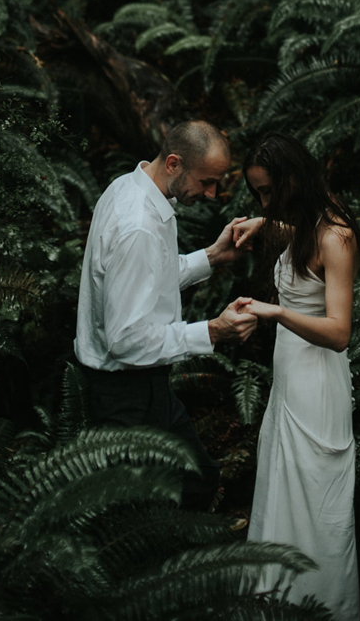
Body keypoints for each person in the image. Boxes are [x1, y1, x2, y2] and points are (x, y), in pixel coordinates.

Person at [74, 119, 262, 505]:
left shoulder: (130, 187)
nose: (211, 194)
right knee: (139, 511)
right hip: (124, 394)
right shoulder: (138, 227)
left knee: (197, 479)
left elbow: (146, 280)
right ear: (174, 164)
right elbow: (126, 341)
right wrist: (212, 331)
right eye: (206, 182)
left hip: (145, 387)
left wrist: (212, 255)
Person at [232, 132, 360, 621]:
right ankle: (278, 603)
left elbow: (339, 331)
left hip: (316, 388)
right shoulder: (306, 225)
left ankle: (322, 606)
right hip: (289, 385)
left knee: (313, 502)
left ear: (293, 180)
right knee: (282, 494)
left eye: (268, 191)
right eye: (258, 194)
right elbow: (300, 246)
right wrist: (265, 223)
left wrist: (277, 312)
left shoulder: (337, 235)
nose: (264, 201)